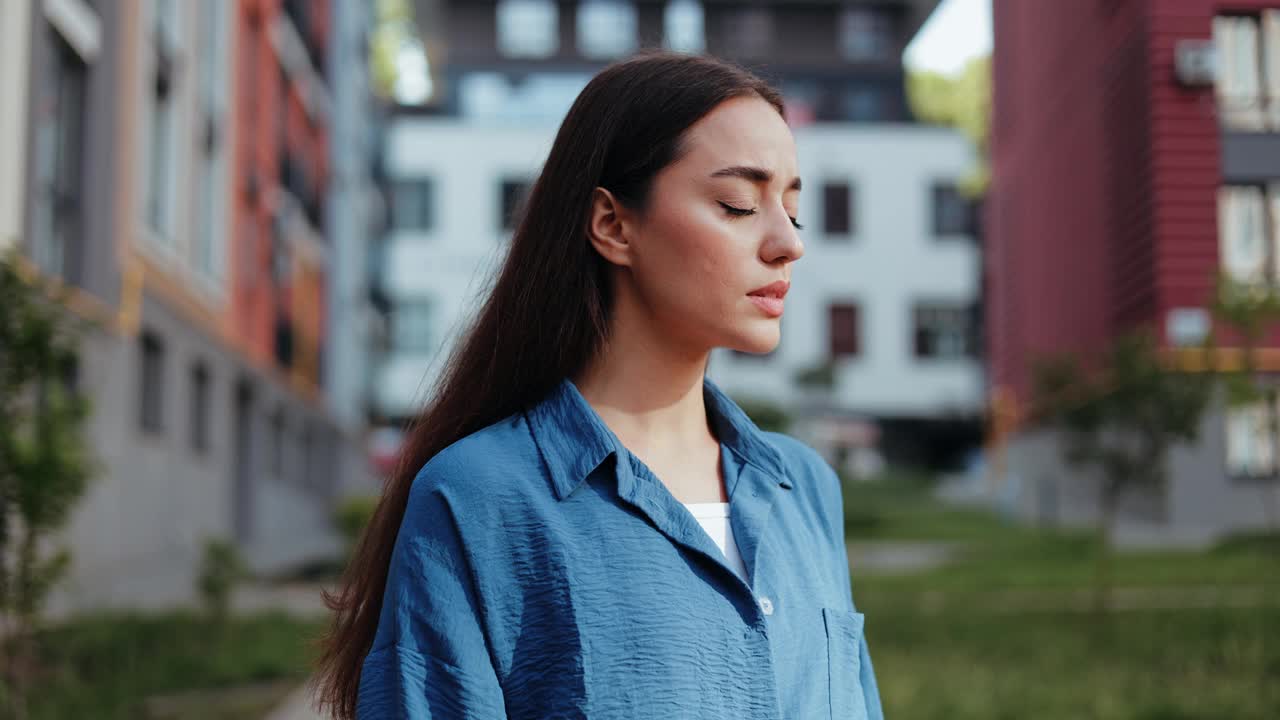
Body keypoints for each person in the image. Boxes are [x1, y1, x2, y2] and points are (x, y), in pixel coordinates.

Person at [314, 50, 884, 720]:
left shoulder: (804, 488)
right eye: (737, 204)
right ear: (613, 224)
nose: (787, 242)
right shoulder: (480, 497)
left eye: (793, 210)